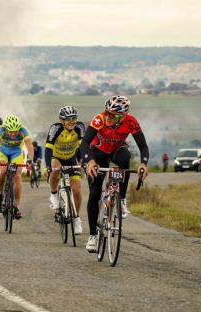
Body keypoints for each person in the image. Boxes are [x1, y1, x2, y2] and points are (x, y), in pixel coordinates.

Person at [80, 95, 149, 252]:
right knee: (95, 193)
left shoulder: (130, 121)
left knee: (125, 157)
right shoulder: (99, 119)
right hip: (97, 153)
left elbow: (143, 146)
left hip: (117, 150)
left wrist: (143, 164)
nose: (108, 117)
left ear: (123, 116)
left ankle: (122, 199)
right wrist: (90, 162)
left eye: (113, 115)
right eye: (107, 112)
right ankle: (92, 236)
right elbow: (84, 143)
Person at [45, 106, 85, 235]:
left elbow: (83, 148)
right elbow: (48, 149)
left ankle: (76, 218)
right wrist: (48, 167)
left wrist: (83, 162)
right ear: (61, 120)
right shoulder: (55, 128)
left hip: (71, 158)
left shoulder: (79, 128)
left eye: (74, 118)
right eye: (68, 119)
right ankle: (53, 194)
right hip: (57, 157)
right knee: (55, 170)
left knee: (77, 190)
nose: (72, 121)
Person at [0, 114, 34, 219]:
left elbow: (30, 147)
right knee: (2, 171)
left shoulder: (23, 130)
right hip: (3, 151)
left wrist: (29, 160)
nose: (13, 134)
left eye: (15, 131)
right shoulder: (1, 130)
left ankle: (16, 206)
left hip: (16, 152)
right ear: (6, 128)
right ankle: (0, 193)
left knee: (17, 176)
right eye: (11, 131)